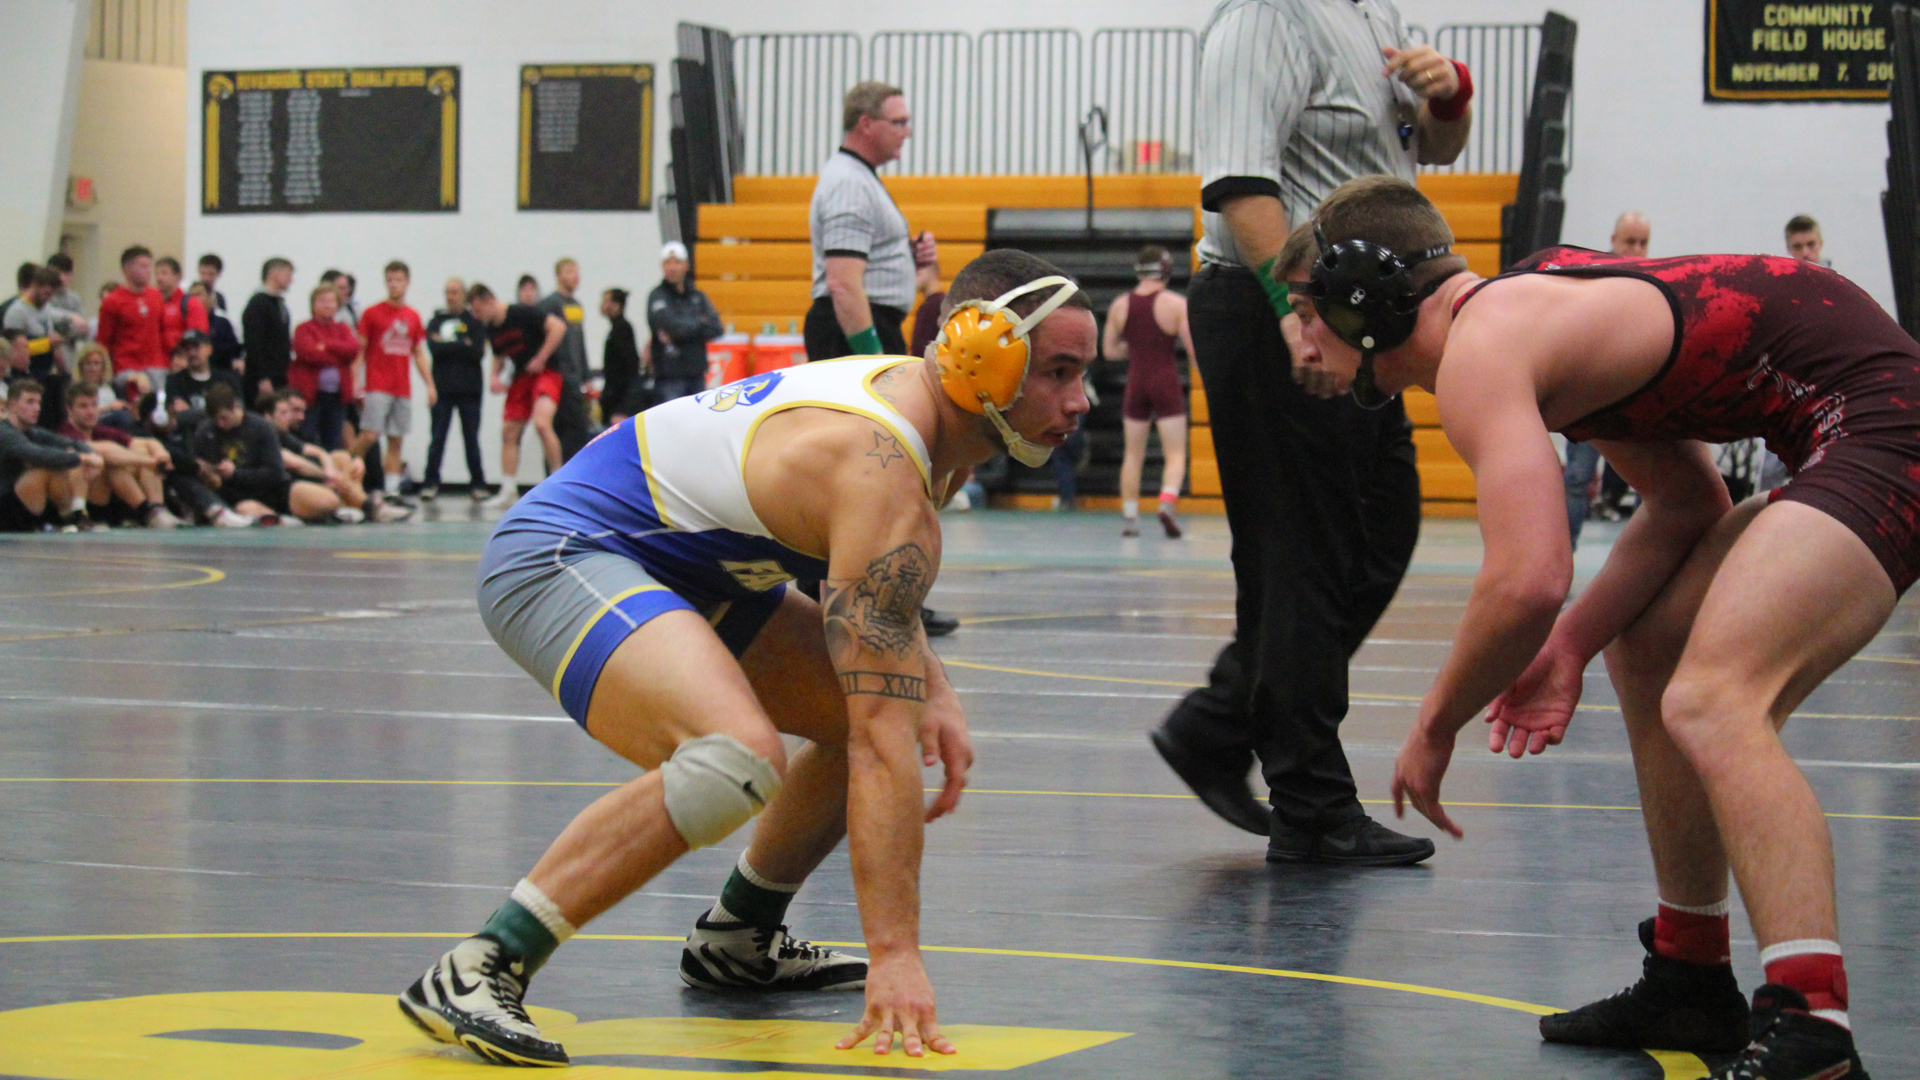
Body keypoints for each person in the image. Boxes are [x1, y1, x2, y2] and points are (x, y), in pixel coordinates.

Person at [395, 248, 1087, 1068]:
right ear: (982, 352)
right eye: (1059, 372)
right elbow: (878, 736)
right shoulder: (882, 469)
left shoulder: (924, 421)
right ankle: (482, 962)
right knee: (736, 758)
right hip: (563, 552)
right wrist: (896, 953)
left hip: (692, 565)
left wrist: (932, 684)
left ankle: (740, 935)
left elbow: (853, 611)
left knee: (862, 715)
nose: (1080, 402)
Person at [1287, 174, 1895, 1080]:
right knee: (1647, 645)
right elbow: (1689, 500)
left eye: (1303, 310)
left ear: (1363, 296)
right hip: (1843, 421)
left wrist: (1435, 723)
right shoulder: (1528, 314)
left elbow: (1527, 579)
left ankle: (1814, 1024)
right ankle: (1691, 972)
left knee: (1718, 696)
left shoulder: (1483, 350)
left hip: (1882, 427)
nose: (1296, 338)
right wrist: (1571, 646)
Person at [1150, 0, 1473, 862]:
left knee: (1378, 529)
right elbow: (1241, 185)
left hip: (1349, 314)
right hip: (1281, 313)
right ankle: (1311, 804)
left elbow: (1426, 154)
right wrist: (1294, 317)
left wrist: (1450, 101)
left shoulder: (1370, 14)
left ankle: (1222, 723)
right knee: (1304, 554)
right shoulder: (1264, 15)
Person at [804, 82, 938, 362]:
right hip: (852, 333)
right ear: (865, 124)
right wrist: (872, 357)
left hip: (860, 326)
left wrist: (905, 255)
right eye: (898, 123)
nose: (906, 133)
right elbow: (842, 282)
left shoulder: (857, 177)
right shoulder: (849, 184)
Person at [1565, 213, 1654, 549]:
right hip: (1589, 397)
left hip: (1633, 398)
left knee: (1652, 486)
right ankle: (1564, 558)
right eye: (1629, 241)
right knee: (1576, 480)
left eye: (1642, 242)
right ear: (1613, 240)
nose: (1636, 249)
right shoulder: (1589, 281)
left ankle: (1645, 565)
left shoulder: (1652, 287)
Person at [1101, 245, 1194, 539]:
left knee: (1133, 454)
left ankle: (1130, 517)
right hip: (1165, 379)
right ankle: (1166, 503)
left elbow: (1109, 350)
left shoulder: (1120, 305)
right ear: (1166, 271)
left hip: (1136, 380)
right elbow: (1194, 351)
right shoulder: (1176, 304)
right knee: (1176, 454)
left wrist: (1139, 347)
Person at [193, 381, 343, 524]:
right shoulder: (206, 432)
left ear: (235, 407)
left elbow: (274, 472)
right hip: (240, 496)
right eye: (216, 420)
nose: (220, 424)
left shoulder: (261, 427)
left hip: (273, 489)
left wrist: (235, 473)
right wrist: (212, 475)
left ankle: (298, 515)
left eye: (224, 418)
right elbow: (201, 470)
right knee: (247, 510)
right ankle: (286, 520)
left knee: (328, 501)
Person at [473, 283, 567, 508]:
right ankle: (508, 490)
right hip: (522, 376)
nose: (476, 316)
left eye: (478, 310)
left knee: (542, 424)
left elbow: (558, 327)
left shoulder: (521, 313)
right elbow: (499, 355)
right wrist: (494, 376)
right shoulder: (492, 328)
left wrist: (541, 358)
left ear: (489, 301)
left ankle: (561, 486)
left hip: (546, 372)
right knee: (508, 432)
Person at [355, 260, 434, 495]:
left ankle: (391, 489)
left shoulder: (413, 316)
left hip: (402, 386)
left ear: (407, 282)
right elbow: (360, 351)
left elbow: (418, 352)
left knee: (396, 439)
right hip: (377, 384)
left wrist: (429, 384)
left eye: (399, 280)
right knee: (369, 434)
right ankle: (345, 471)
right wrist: (355, 383)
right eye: (390, 280)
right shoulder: (372, 313)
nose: (394, 285)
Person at [60, 381, 180, 527]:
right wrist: (151, 461)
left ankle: (157, 510)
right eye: (83, 406)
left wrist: (161, 454)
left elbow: (145, 442)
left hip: (111, 499)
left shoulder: (97, 429)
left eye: (93, 405)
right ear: (69, 410)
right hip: (87, 501)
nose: (91, 411)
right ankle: (147, 512)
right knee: (115, 464)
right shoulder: (66, 433)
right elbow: (105, 450)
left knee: (144, 451)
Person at [0, 379, 101, 532]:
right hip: (4, 503)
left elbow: (71, 443)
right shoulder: (4, 432)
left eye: (38, 403)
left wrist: (90, 455)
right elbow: (34, 454)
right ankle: (70, 518)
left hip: (19, 503)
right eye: (30, 402)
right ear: (13, 404)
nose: (37, 408)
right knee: (48, 466)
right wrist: (80, 458)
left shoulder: (33, 432)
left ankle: (71, 518)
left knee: (64, 458)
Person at [423, 277, 489, 501]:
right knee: (437, 438)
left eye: (455, 292)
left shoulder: (474, 321)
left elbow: (478, 352)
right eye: (447, 291)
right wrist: (462, 344)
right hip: (442, 389)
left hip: (470, 391)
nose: (451, 296)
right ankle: (430, 482)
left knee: (471, 439)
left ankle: (478, 484)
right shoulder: (436, 320)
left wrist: (448, 345)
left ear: (464, 295)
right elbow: (433, 348)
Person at [4, 266, 89, 432]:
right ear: (35, 286)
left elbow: (61, 322)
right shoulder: (17, 311)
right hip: (24, 372)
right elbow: (15, 349)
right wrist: (46, 343)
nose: (47, 298)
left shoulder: (45, 309)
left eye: (51, 295)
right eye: (45, 293)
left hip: (44, 370)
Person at [644, 242, 723, 403]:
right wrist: (699, 323)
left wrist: (681, 329)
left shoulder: (697, 296)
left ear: (686, 265)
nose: (672, 268)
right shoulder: (657, 297)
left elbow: (716, 328)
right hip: (669, 378)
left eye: (677, 262)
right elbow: (672, 326)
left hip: (696, 375)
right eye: (668, 263)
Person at [290, 284, 360, 451]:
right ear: (313, 304)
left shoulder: (342, 328)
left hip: (337, 396)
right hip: (311, 396)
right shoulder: (303, 328)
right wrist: (338, 354)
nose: (327, 305)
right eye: (322, 301)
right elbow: (308, 354)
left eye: (331, 301)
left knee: (333, 441)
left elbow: (352, 350)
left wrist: (325, 345)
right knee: (307, 437)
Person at [538, 258, 592, 462]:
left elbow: (580, 341)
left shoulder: (576, 305)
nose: (575, 276)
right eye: (569, 271)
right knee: (561, 429)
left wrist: (585, 375)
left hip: (575, 377)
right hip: (558, 377)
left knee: (576, 431)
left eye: (576, 272)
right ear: (558, 276)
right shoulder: (549, 304)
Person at [95, 246, 167, 382]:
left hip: (156, 366)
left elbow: (161, 330)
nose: (148, 271)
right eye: (143, 267)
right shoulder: (113, 301)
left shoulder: (156, 295)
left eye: (149, 266)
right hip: (126, 367)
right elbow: (103, 341)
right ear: (126, 269)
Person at [242, 257, 295, 401]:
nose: (291, 280)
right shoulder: (258, 304)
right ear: (274, 274)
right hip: (263, 378)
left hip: (279, 375)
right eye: (288, 274)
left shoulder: (279, 304)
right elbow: (254, 343)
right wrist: (263, 377)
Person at [163, 332, 242, 419]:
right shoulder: (175, 381)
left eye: (196, 347)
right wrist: (217, 413)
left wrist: (191, 412)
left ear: (209, 349)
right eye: (187, 349)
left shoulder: (227, 379)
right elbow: (177, 416)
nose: (192, 353)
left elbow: (238, 412)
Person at [599, 287, 646, 425]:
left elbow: (629, 368)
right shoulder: (615, 329)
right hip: (615, 397)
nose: (601, 305)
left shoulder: (623, 329)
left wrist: (622, 408)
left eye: (605, 301)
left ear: (616, 306)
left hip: (620, 400)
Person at [154, 256, 210, 359]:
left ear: (177, 276)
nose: (159, 278)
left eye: (164, 273)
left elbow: (199, 337)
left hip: (180, 361)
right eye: (157, 274)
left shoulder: (190, 303)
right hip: (155, 362)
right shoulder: (153, 303)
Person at [196, 253, 229, 317]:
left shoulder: (219, 299)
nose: (206, 278)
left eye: (211, 274)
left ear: (218, 274)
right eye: (203, 273)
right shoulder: (189, 295)